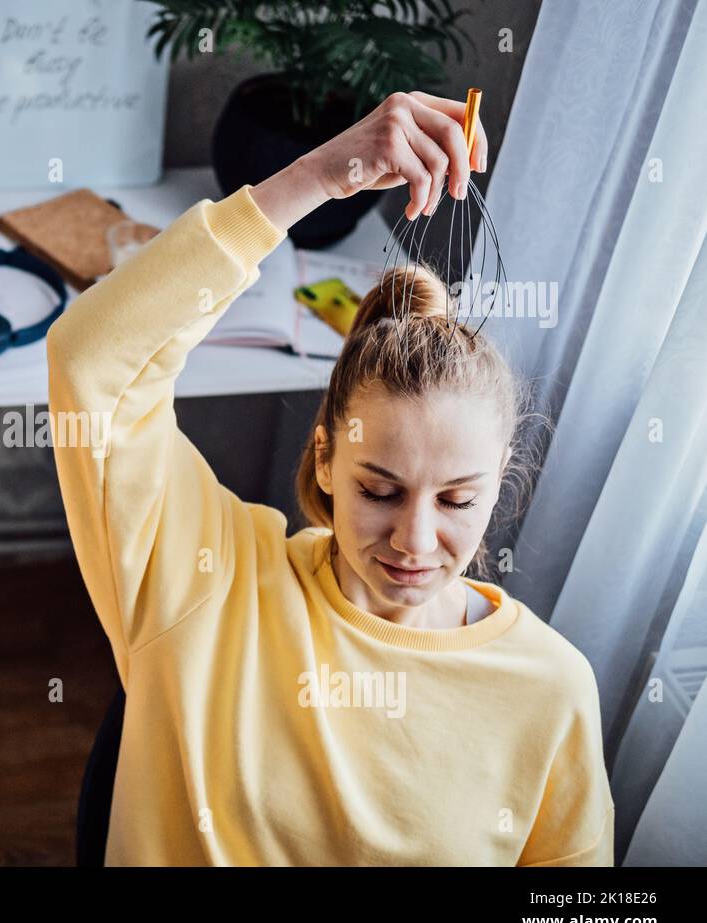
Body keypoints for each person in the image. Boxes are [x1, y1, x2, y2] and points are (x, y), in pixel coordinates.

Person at [48, 91, 615, 866]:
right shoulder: (209, 583)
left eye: (457, 500)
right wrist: (314, 177)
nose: (414, 540)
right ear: (325, 457)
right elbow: (92, 361)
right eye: (380, 490)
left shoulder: (552, 689)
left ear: (500, 484)